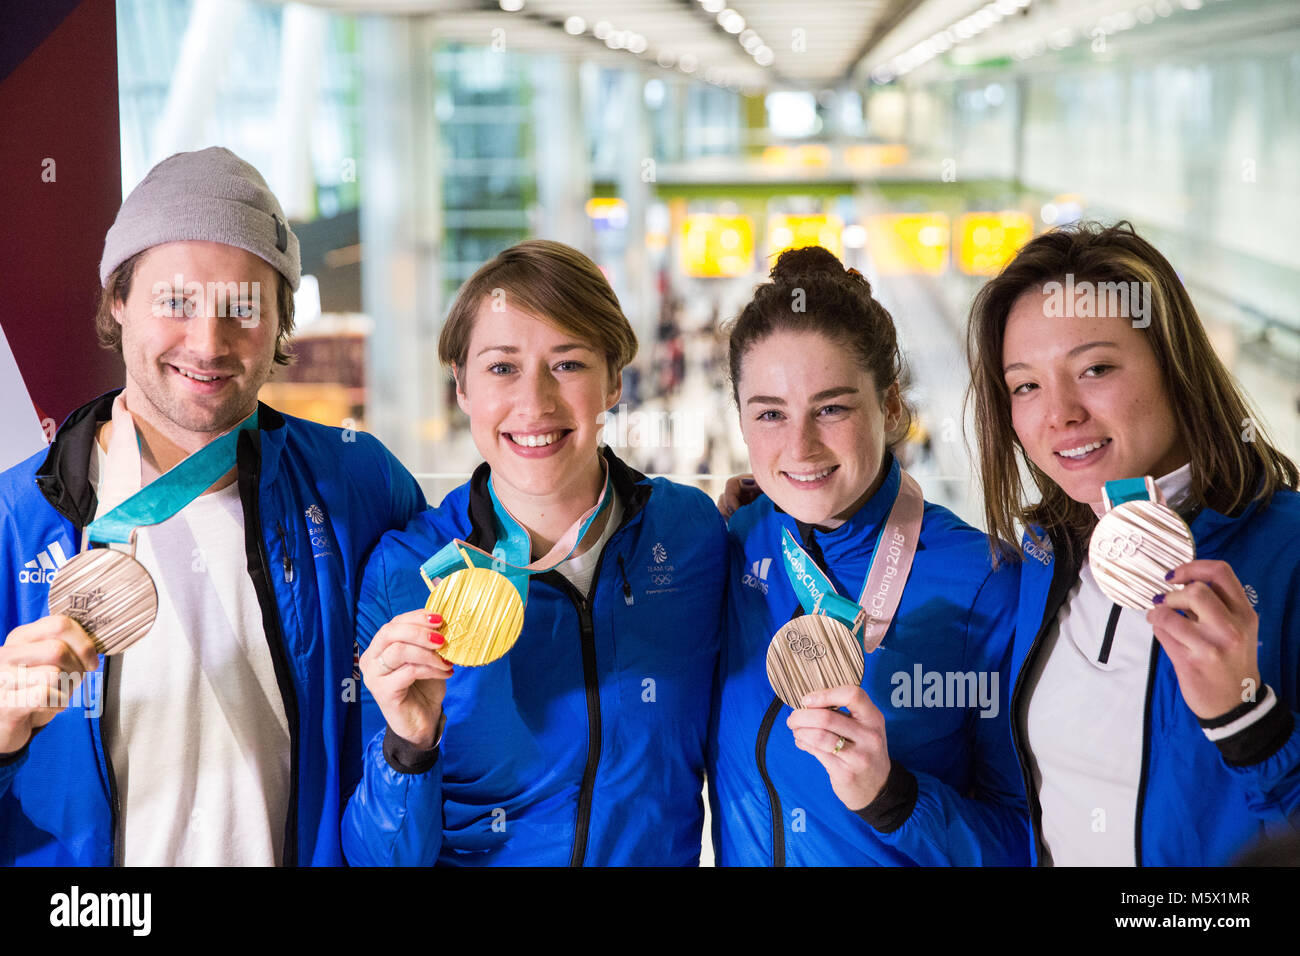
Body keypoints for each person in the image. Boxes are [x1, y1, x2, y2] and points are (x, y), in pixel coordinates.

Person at [0, 147, 426, 865]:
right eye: (176, 301)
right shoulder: (17, 521)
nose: (208, 342)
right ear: (117, 301)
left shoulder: (360, 489)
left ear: (282, 320)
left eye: (243, 306)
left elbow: (435, 742)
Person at [340, 240, 727, 866]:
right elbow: (375, 859)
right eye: (501, 368)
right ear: (461, 387)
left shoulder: (691, 536)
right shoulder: (404, 570)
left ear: (614, 382)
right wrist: (408, 746)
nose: (536, 402)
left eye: (568, 364)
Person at [966, 220, 1300, 865]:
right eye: (1025, 384)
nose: (1059, 412)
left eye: (1095, 368)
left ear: (1174, 368)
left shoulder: (1288, 554)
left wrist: (1249, 722)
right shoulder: (1043, 559)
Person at [709, 246, 1030, 866]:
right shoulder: (731, 544)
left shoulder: (985, 582)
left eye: (831, 408)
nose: (799, 447)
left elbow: (1028, 841)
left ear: (888, 407)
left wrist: (893, 799)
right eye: (770, 413)